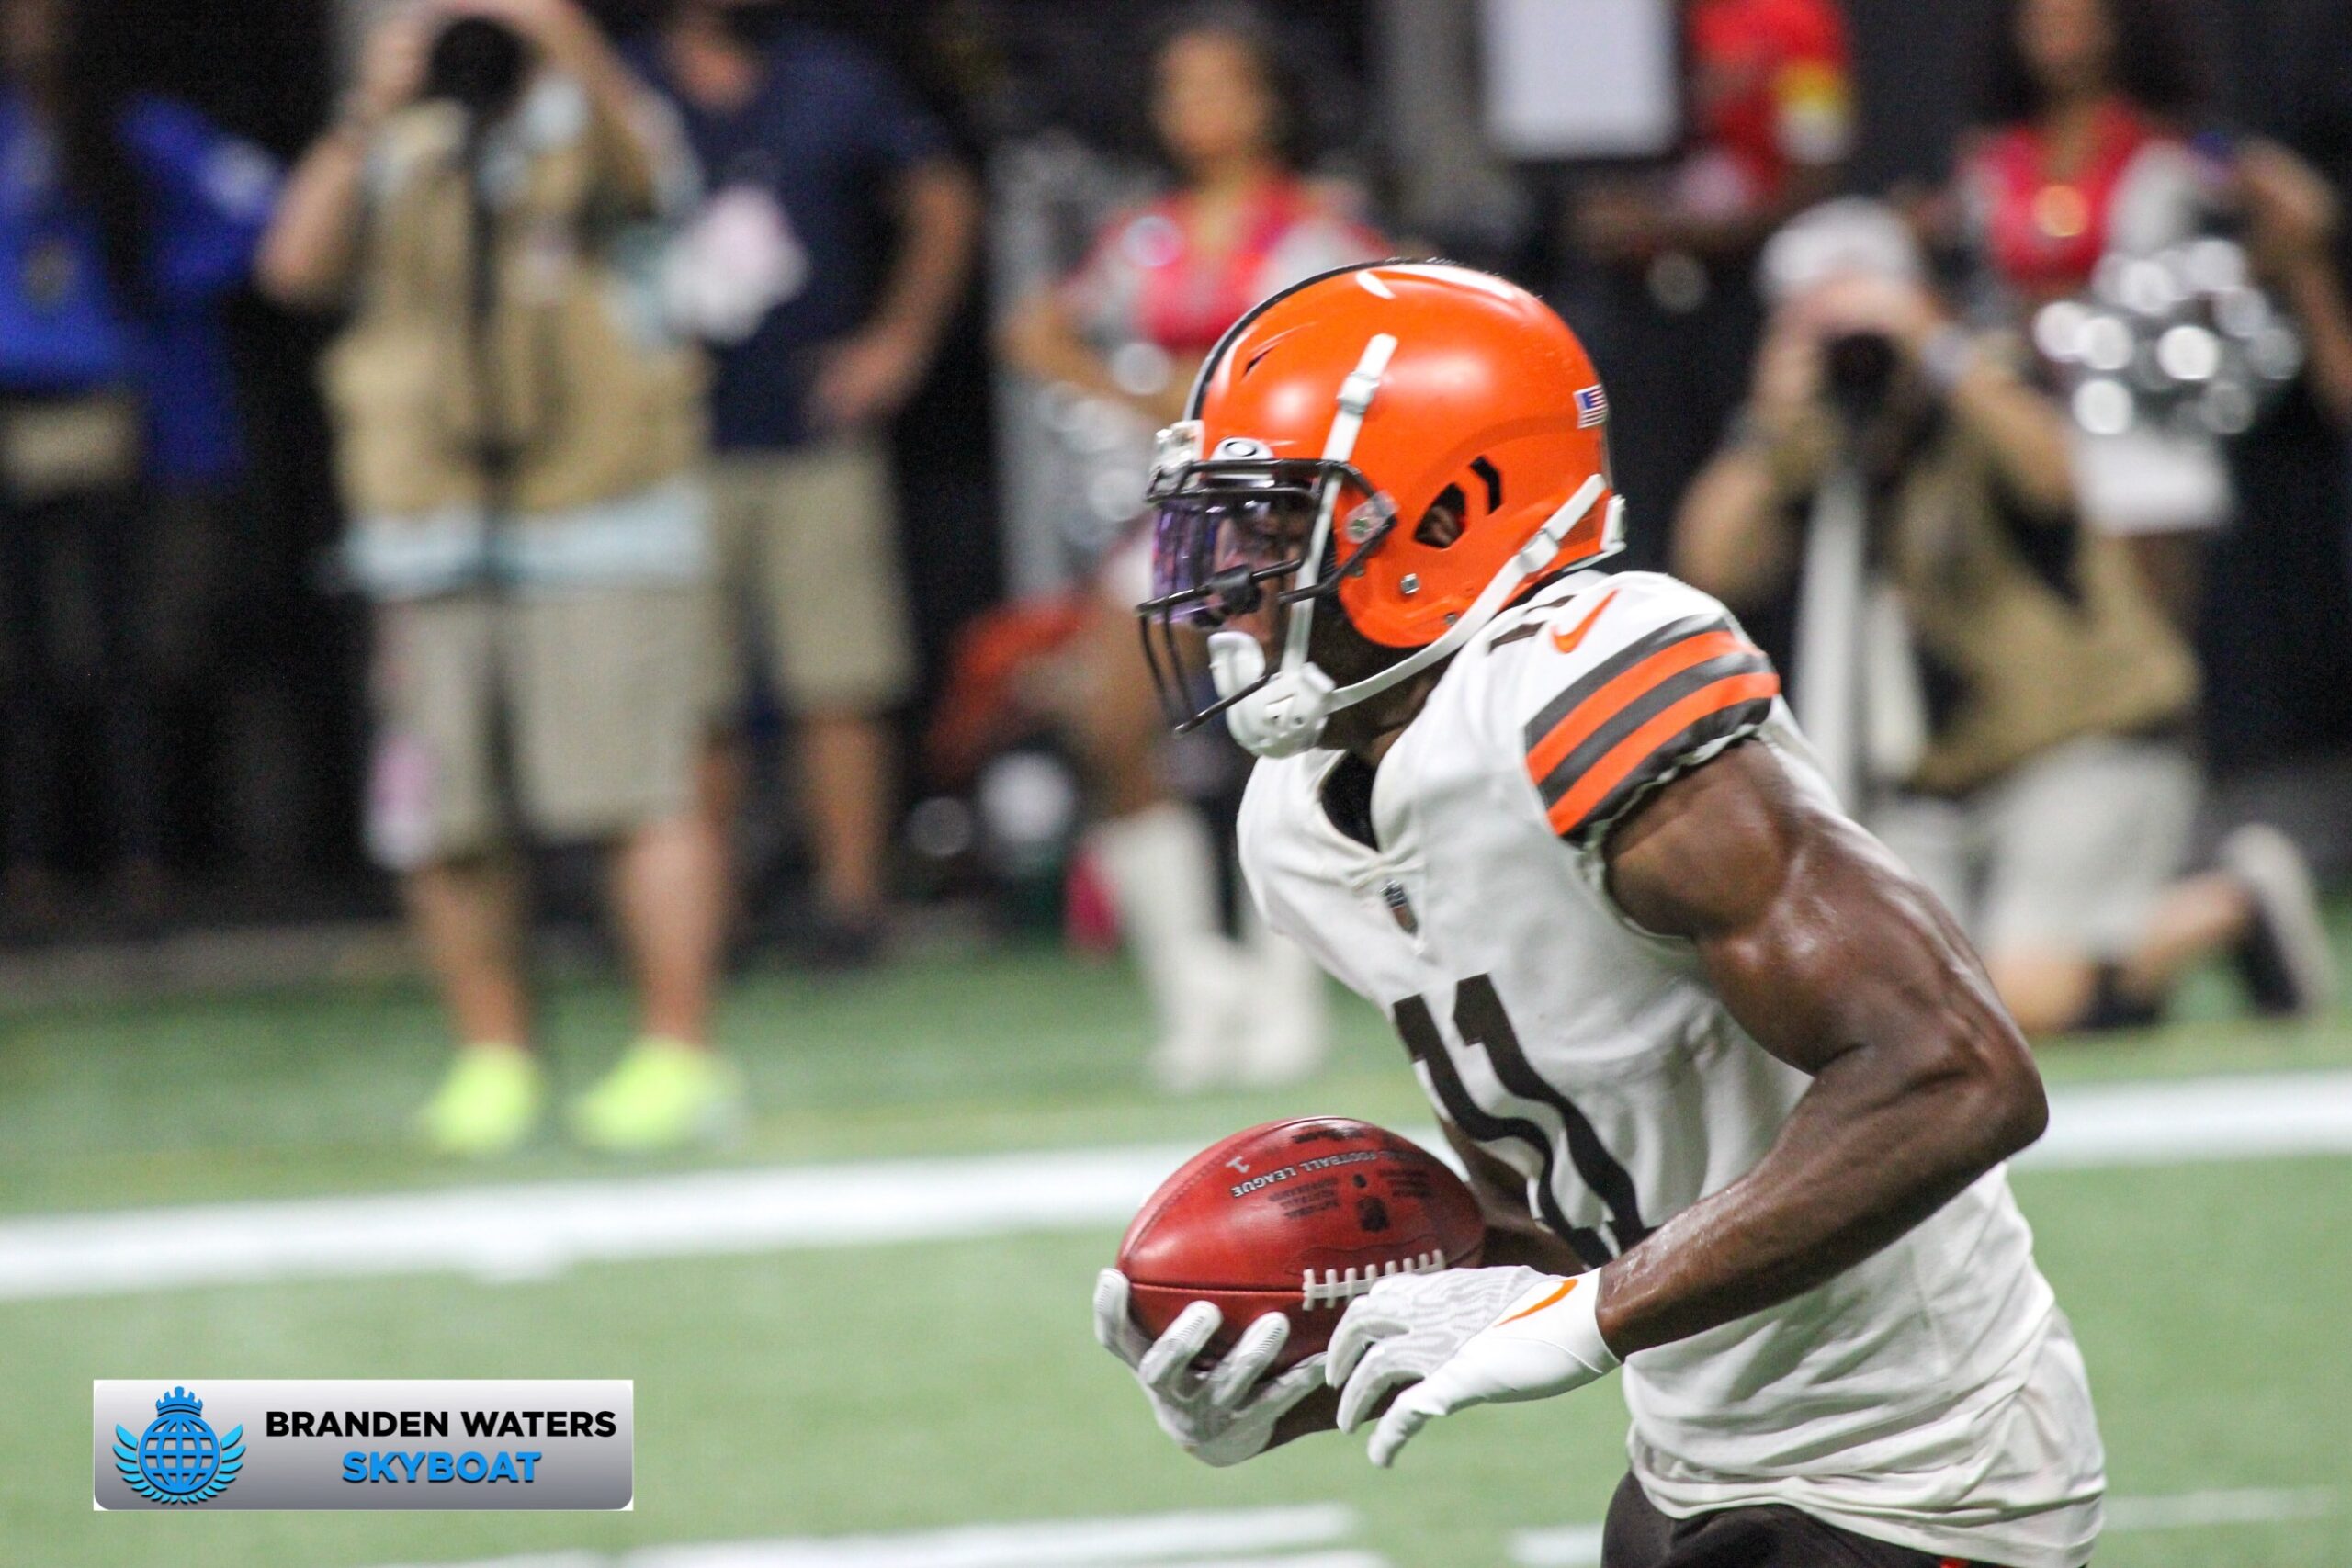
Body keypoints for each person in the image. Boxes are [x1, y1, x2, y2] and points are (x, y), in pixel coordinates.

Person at [1093, 261, 2103, 1567]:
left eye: (1277, 528)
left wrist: (1590, 1319)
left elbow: (1955, 1074)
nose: (1228, 578)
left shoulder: (1581, 688)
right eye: (1222, 530)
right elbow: (1568, 1205)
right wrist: (1298, 1361)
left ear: (1447, 515)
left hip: (1917, 1466)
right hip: (1696, 1461)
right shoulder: (1297, 820)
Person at [258, 0, 736, 1156]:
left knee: (641, 791)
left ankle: (678, 1055)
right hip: (427, 518)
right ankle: (492, 1059)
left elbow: (656, 188)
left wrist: (558, 36)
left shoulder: (604, 118)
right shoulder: (403, 139)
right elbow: (292, 267)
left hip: (604, 510)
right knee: (442, 810)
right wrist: (367, 113)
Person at [1674, 201, 2335, 1034]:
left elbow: (2057, 476)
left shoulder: (1986, 385)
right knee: (1893, 998)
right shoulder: (1810, 439)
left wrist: (1931, 345)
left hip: (2083, 745)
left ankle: (2232, 902)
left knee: (2018, 1001)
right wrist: (1768, 424)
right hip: (1932, 784)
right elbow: (1712, 566)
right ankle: (2135, 943)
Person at [989, 5, 1380, 1090]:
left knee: (1283, 735)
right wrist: (1127, 395)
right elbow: (1033, 328)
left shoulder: (1320, 230)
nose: (1198, 110)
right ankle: (1194, 983)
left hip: (1281, 516)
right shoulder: (1144, 234)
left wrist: (1234, 399)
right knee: (1104, 716)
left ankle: (1285, 981)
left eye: (1221, 86)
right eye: (1179, 90)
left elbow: (1369, 348)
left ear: (1271, 103)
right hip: (1168, 515)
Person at [643, 0, 979, 966]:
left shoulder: (828, 76)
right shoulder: (624, 82)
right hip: (666, 438)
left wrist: (897, 343)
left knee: (840, 675)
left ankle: (850, 909)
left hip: (812, 423)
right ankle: (705, 922)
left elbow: (942, 198)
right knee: (692, 694)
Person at [0, 0, 275, 926]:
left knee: (126, 646)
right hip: (12, 411)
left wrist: (161, 282)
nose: (31, 33)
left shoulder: (137, 128)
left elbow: (259, 206)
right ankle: (30, 864)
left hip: (110, 413)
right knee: (23, 657)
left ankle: (143, 856)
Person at [1556, 0, 1854, 570]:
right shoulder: (1615, 18)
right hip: (1632, 305)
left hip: (1744, 299)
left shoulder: (1798, 21)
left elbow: (1818, 167)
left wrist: (1677, 229)